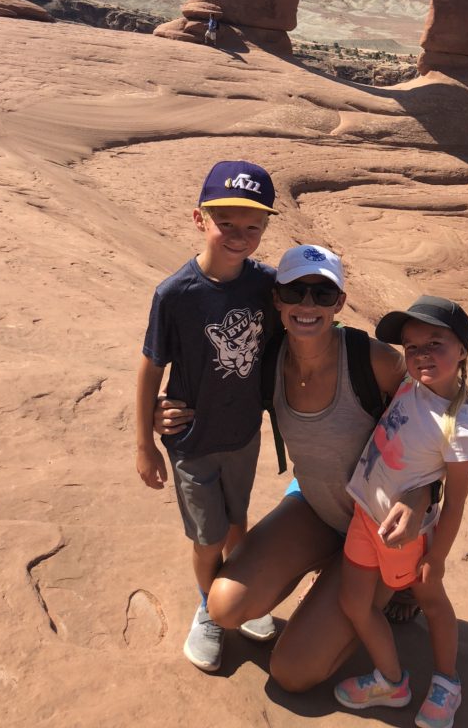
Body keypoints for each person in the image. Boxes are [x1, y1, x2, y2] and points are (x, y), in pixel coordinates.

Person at [154, 244, 431, 691]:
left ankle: (393, 582)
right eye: (296, 291)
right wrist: (160, 411)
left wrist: (423, 497)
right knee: (224, 607)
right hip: (316, 509)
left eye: (323, 294)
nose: (308, 305)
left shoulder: (372, 360)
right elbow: (211, 388)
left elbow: (439, 421)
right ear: (277, 300)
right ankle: (332, 570)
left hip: (375, 528)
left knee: (293, 672)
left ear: (340, 302)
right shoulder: (266, 360)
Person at [135, 159, 280, 673]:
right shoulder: (176, 294)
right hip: (193, 438)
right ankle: (210, 608)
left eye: (253, 227)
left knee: (238, 523)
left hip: (243, 433)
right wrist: (145, 441)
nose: (239, 236)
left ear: (265, 229)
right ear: (200, 219)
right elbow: (153, 364)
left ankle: (237, 597)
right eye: (227, 224)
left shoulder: (267, 285)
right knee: (208, 536)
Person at [334, 296, 468, 728]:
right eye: (412, 347)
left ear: (462, 351)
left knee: (432, 600)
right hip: (366, 515)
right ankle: (392, 681)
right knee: (355, 602)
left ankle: (447, 683)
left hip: (406, 538)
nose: (421, 355)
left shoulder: (461, 429)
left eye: (435, 343)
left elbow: (455, 501)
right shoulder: (409, 386)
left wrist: (435, 559)